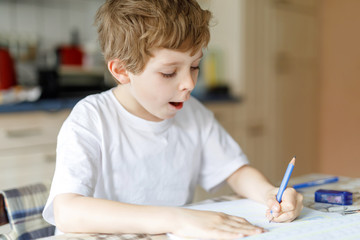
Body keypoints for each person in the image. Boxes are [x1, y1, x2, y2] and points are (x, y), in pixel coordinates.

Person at [42, 0, 303, 238]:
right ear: (122, 70)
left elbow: (236, 172)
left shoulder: (194, 114)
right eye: (169, 73)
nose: (188, 84)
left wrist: (270, 194)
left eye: (194, 66)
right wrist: (176, 218)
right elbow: (67, 211)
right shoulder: (92, 118)